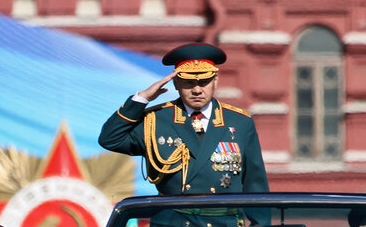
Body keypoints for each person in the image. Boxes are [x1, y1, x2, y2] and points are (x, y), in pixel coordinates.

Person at [98, 42, 268, 195]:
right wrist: (142, 99)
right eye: (188, 83)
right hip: (174, 223)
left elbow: (255, 181)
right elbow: (110, 139)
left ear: (215, 81)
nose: (197, 90)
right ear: (176, 84)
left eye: (204, 82)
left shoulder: (239, 121)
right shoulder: (157, 120)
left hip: (222, 222)